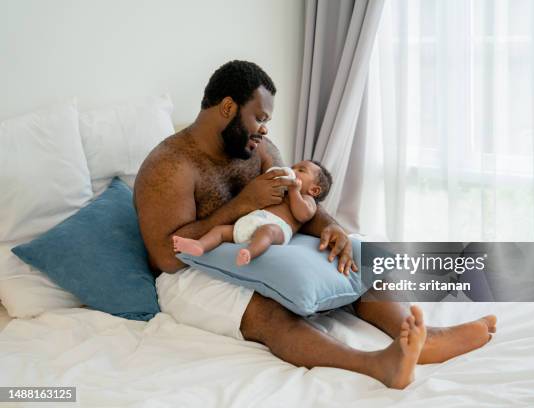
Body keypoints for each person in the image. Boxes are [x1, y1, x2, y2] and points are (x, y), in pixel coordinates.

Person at [134, 60, 497, 389]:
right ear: (228, 108)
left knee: (357, 260)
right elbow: (167, 256)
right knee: (270, 310)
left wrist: (334, 229)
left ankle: (424, 337)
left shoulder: (258, 150)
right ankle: (378, 364)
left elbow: (296, 203)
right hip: (190, 274)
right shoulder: (169, 167)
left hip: (261, 245)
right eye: (259, 118)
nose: (263, 130)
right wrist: (243, 203)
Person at [172, 160, 332, 266]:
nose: (292, 170)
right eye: (293, 167)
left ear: (314, 190)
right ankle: (200, 245)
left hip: (277, 228)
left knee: (267, 232)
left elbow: (302, 215)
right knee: (221, 231)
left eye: (301, 170)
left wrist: (294, 191)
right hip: (250, 222)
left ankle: (249, 252)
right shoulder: (283, 192)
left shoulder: (307, 200)